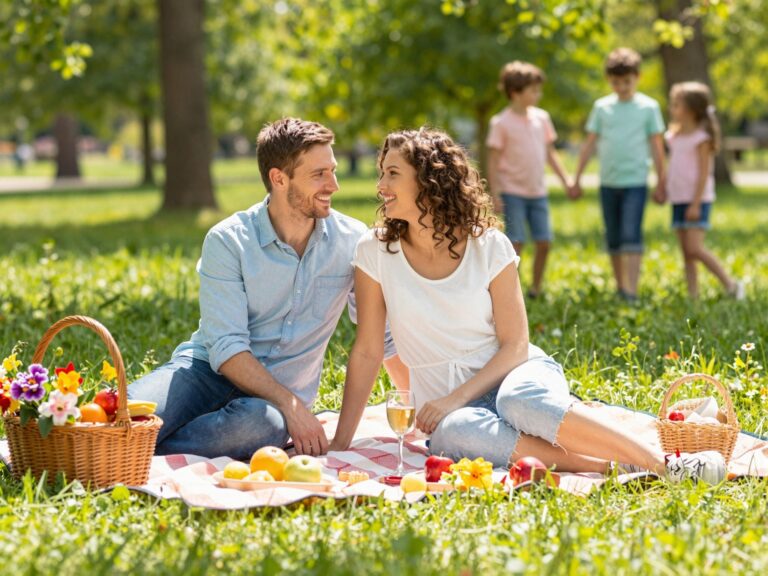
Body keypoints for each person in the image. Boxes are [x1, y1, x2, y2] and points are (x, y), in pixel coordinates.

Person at [329, 127, 725, 484]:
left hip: (514, 374)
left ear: (429, 180)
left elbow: (516, 345)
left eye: (392, 173)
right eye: (382, 173)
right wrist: (340, 445)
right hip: (453, 411)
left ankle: (665, 463)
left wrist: (454, 398)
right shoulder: (376, 249)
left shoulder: (488, 245)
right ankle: (616, 468)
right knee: (449, 435)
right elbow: (368, 348)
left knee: (518, 403)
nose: (380, 185)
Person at [128, 118, 407, 460]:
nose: (333, 184)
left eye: (332, 170)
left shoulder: (351, 241)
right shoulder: (228, 239)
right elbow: (226, 348)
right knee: (123, 414)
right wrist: (291, 404)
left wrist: (417, 403)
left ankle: (137, 451)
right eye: (319, 174)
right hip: (206, 372)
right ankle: (130, 442)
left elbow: (381, 338)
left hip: (266, 410)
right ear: (279, 178)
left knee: (262, 427)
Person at [571, 47, 666, 302]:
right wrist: (576, 177)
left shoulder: (648, 107)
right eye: (616, 82)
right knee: (613, 235)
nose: (622, 87)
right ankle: (621, 286)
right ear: (609, 80)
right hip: (608, 182)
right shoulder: (602, 108)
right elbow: (589, 144)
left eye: (627, 81)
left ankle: (632, 291)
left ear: (638, 77)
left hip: (635, 181)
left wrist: (662, 181)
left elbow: (657, 147)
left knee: (631, 233)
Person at [486, 61, 572, 299]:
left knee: (544, 241)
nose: (538, 94)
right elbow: (493, 161)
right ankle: (512, 291)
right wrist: (494, 193)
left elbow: (550, 153)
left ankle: (535, 288)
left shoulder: (542, 119)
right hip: (513, 192)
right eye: (533, 90)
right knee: (515, 243)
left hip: (538, 193)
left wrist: (566, 180)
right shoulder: (500, 123)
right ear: (515, 93)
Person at [654, 82, 744, 300]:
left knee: (695, 248)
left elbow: (704, 174)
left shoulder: (702, 139)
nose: (671, 109)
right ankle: (693, 295)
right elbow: (671, 166)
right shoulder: (673, 137)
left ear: (691, 110)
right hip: (678, 198)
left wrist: (695, 203)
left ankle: (731, 284)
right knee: (686, 253)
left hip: (697, 200)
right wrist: (662, 186)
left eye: (676, 105)